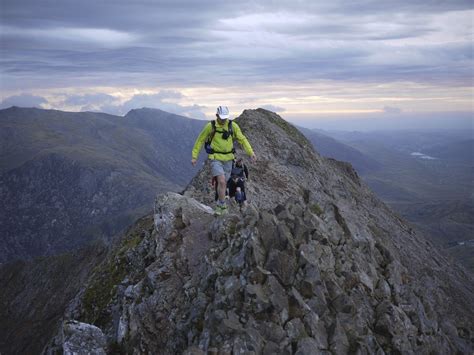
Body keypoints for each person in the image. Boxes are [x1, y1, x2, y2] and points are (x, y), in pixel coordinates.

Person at [191, 106, 256, 215]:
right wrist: (194, 156)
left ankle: (219, 205)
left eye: (225, 118)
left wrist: (251, 152)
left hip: (229, 159)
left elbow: (242, 139)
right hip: (215, 158)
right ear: (217, 115)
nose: (223, 120)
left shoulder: (233, 126)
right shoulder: (210, 126)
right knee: (221, 181)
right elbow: (200, 140)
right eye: (221, 118)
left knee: (223, 183)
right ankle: (222, 204)